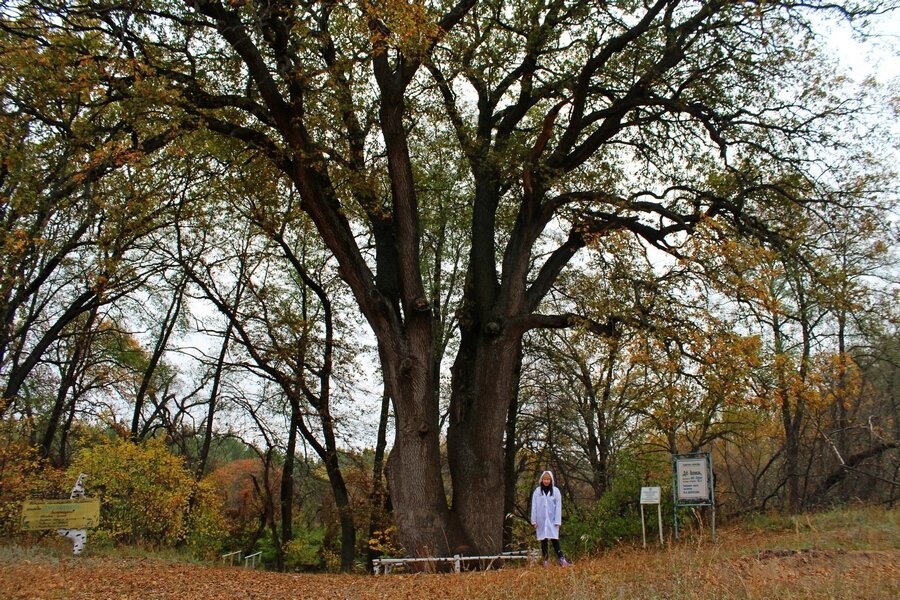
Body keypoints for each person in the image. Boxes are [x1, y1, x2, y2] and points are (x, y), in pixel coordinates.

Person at [530, 470, 572, 567]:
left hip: (552, 520)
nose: (546, 481)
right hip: (541, 520)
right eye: (544, 479)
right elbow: (534, 506)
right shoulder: (537, 491)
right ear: (542, 479)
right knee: (543, 540)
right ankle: (545, 561)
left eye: (548, 479)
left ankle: (561, 559)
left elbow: (558, 506)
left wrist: (557, 520)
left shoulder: (556, 491)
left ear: (551, 480)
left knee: (554, 539)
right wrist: (534, 520)